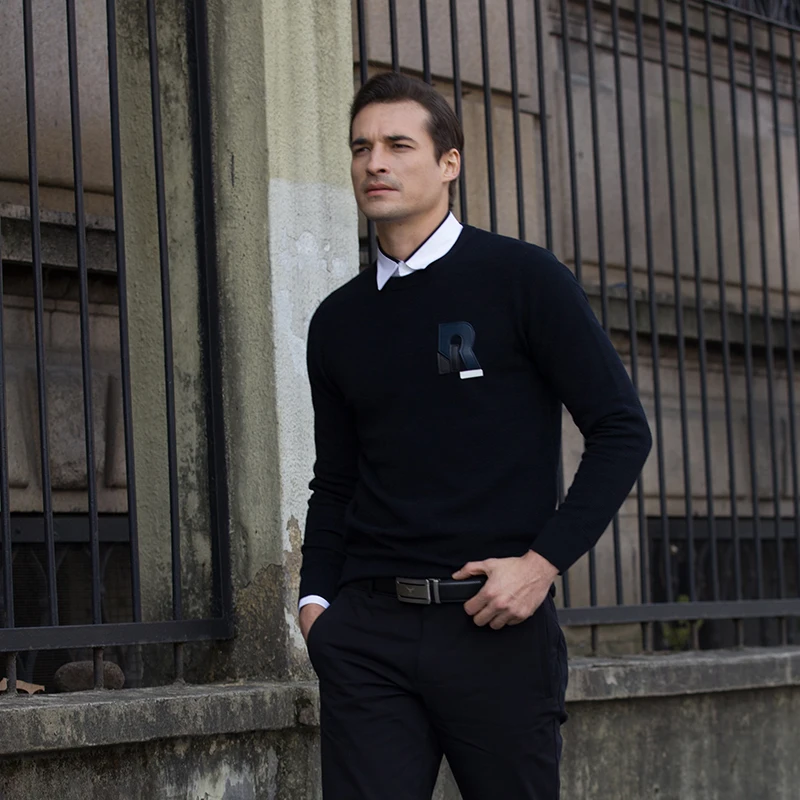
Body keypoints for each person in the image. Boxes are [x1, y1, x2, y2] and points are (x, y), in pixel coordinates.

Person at [298, 72, 651, 800]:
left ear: (449, 162)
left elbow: (621, 429)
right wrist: (316, 606)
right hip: (367, 637)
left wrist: (541, 565)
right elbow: (335, 479)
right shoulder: (337, 320)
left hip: (494, 627)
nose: (375, 163)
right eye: (362, 147)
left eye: (399, 145)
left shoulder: (523, 279)